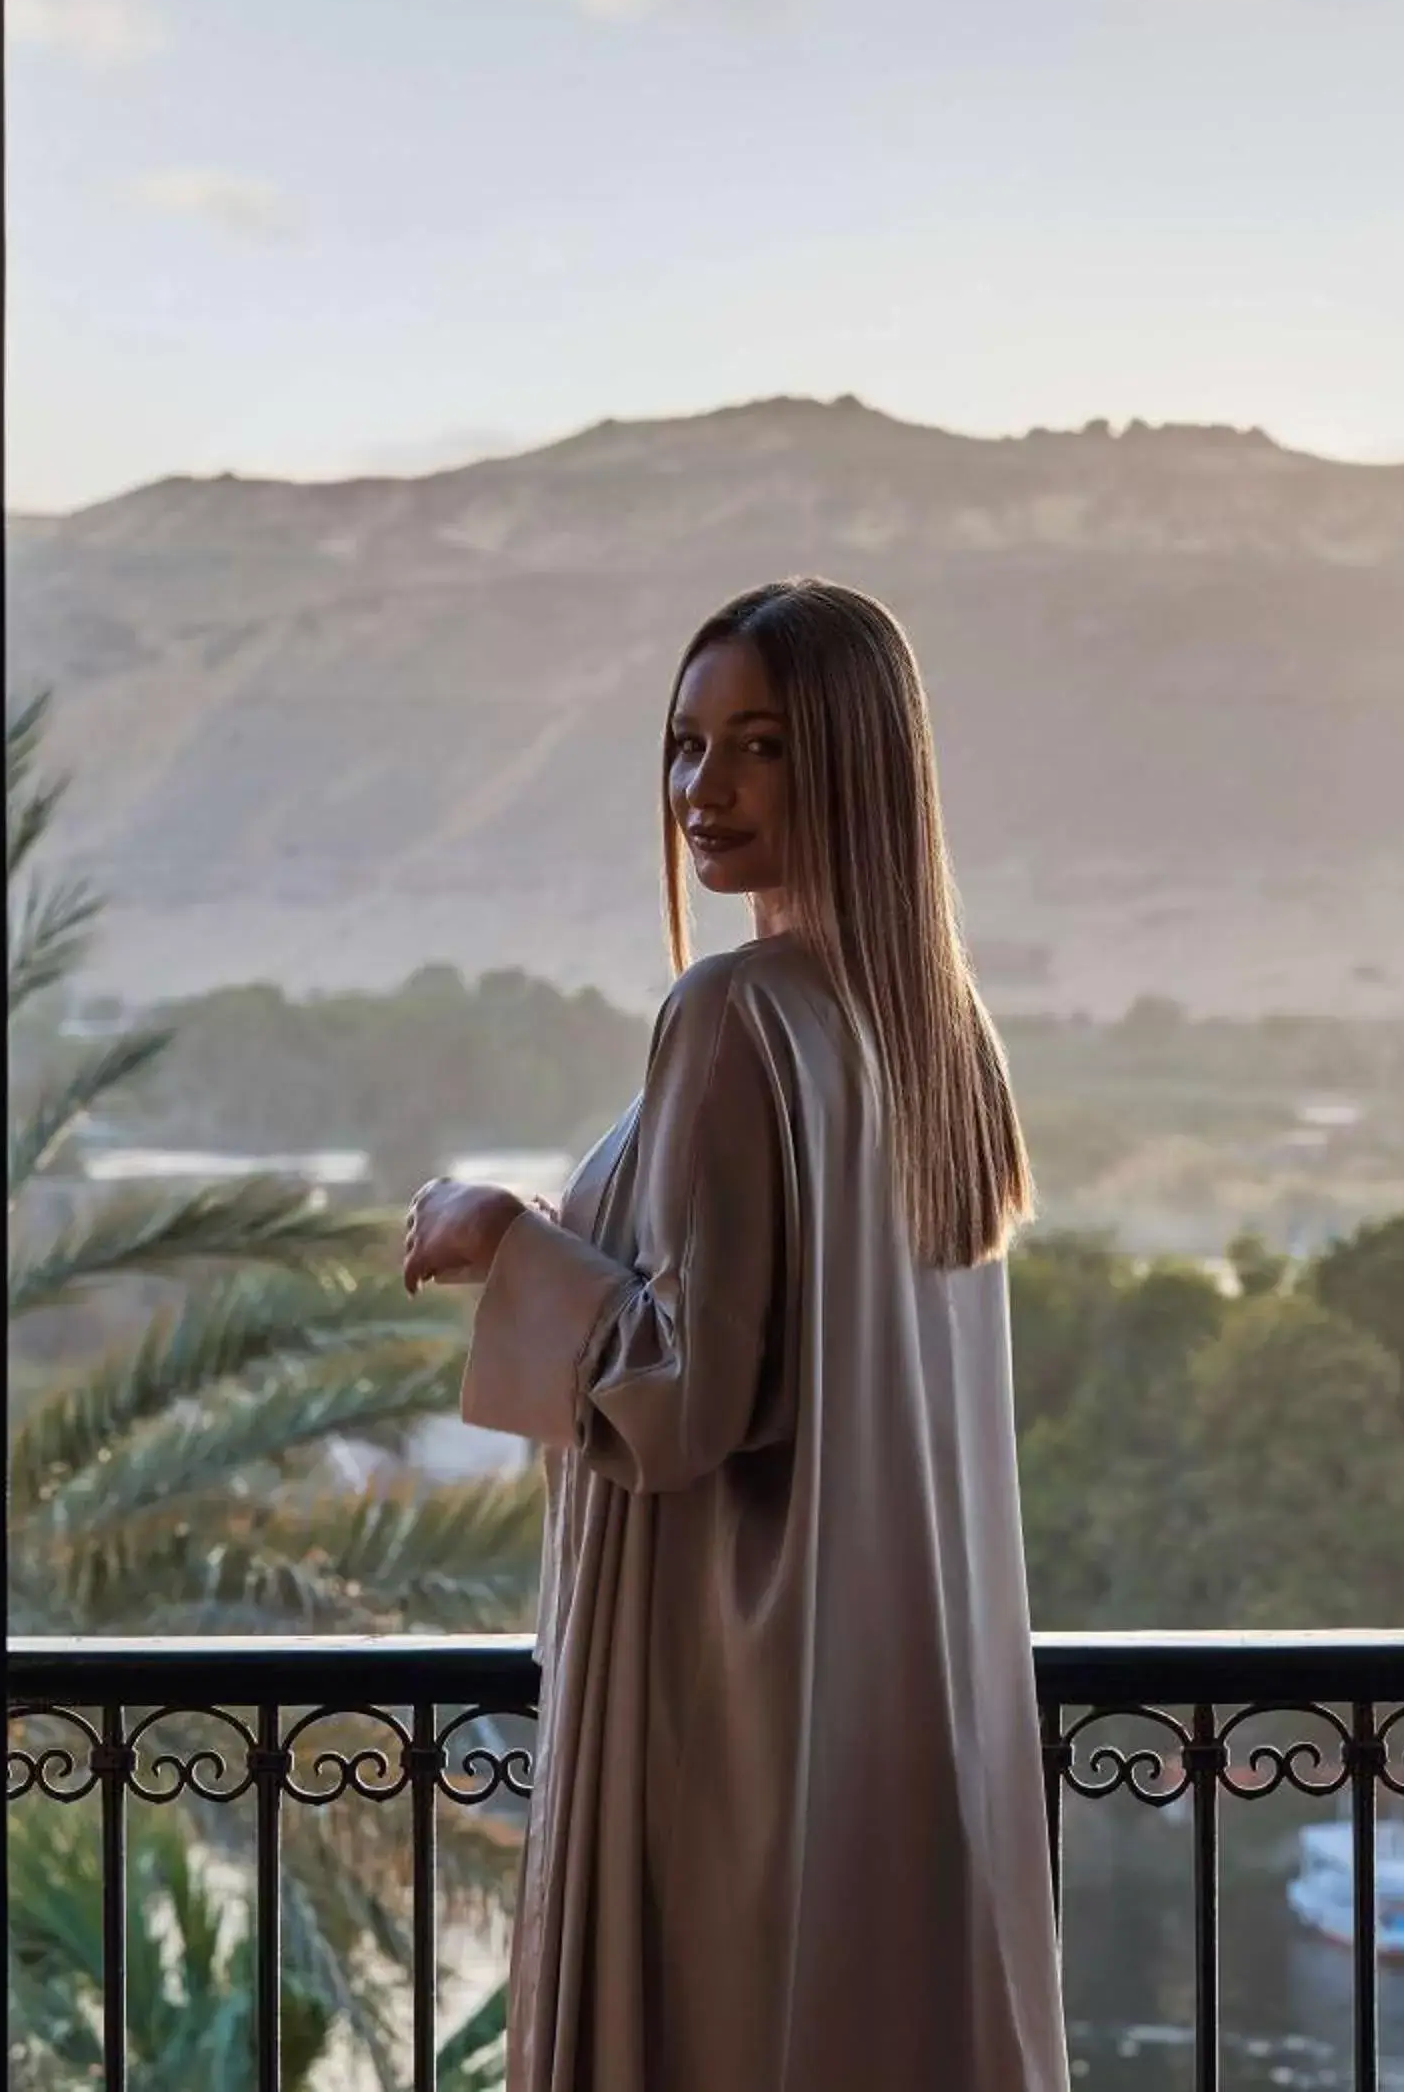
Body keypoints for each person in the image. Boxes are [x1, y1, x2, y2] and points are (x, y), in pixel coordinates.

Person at [398, 577, 1072, 2092]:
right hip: (904, 1721)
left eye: (758, 745)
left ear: (855, 761)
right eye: (686, 745)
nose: (706, 788)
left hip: (737, 1711)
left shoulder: (736, 1014)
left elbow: (684, 1399)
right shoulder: (940, 1033)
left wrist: (503, 1233)